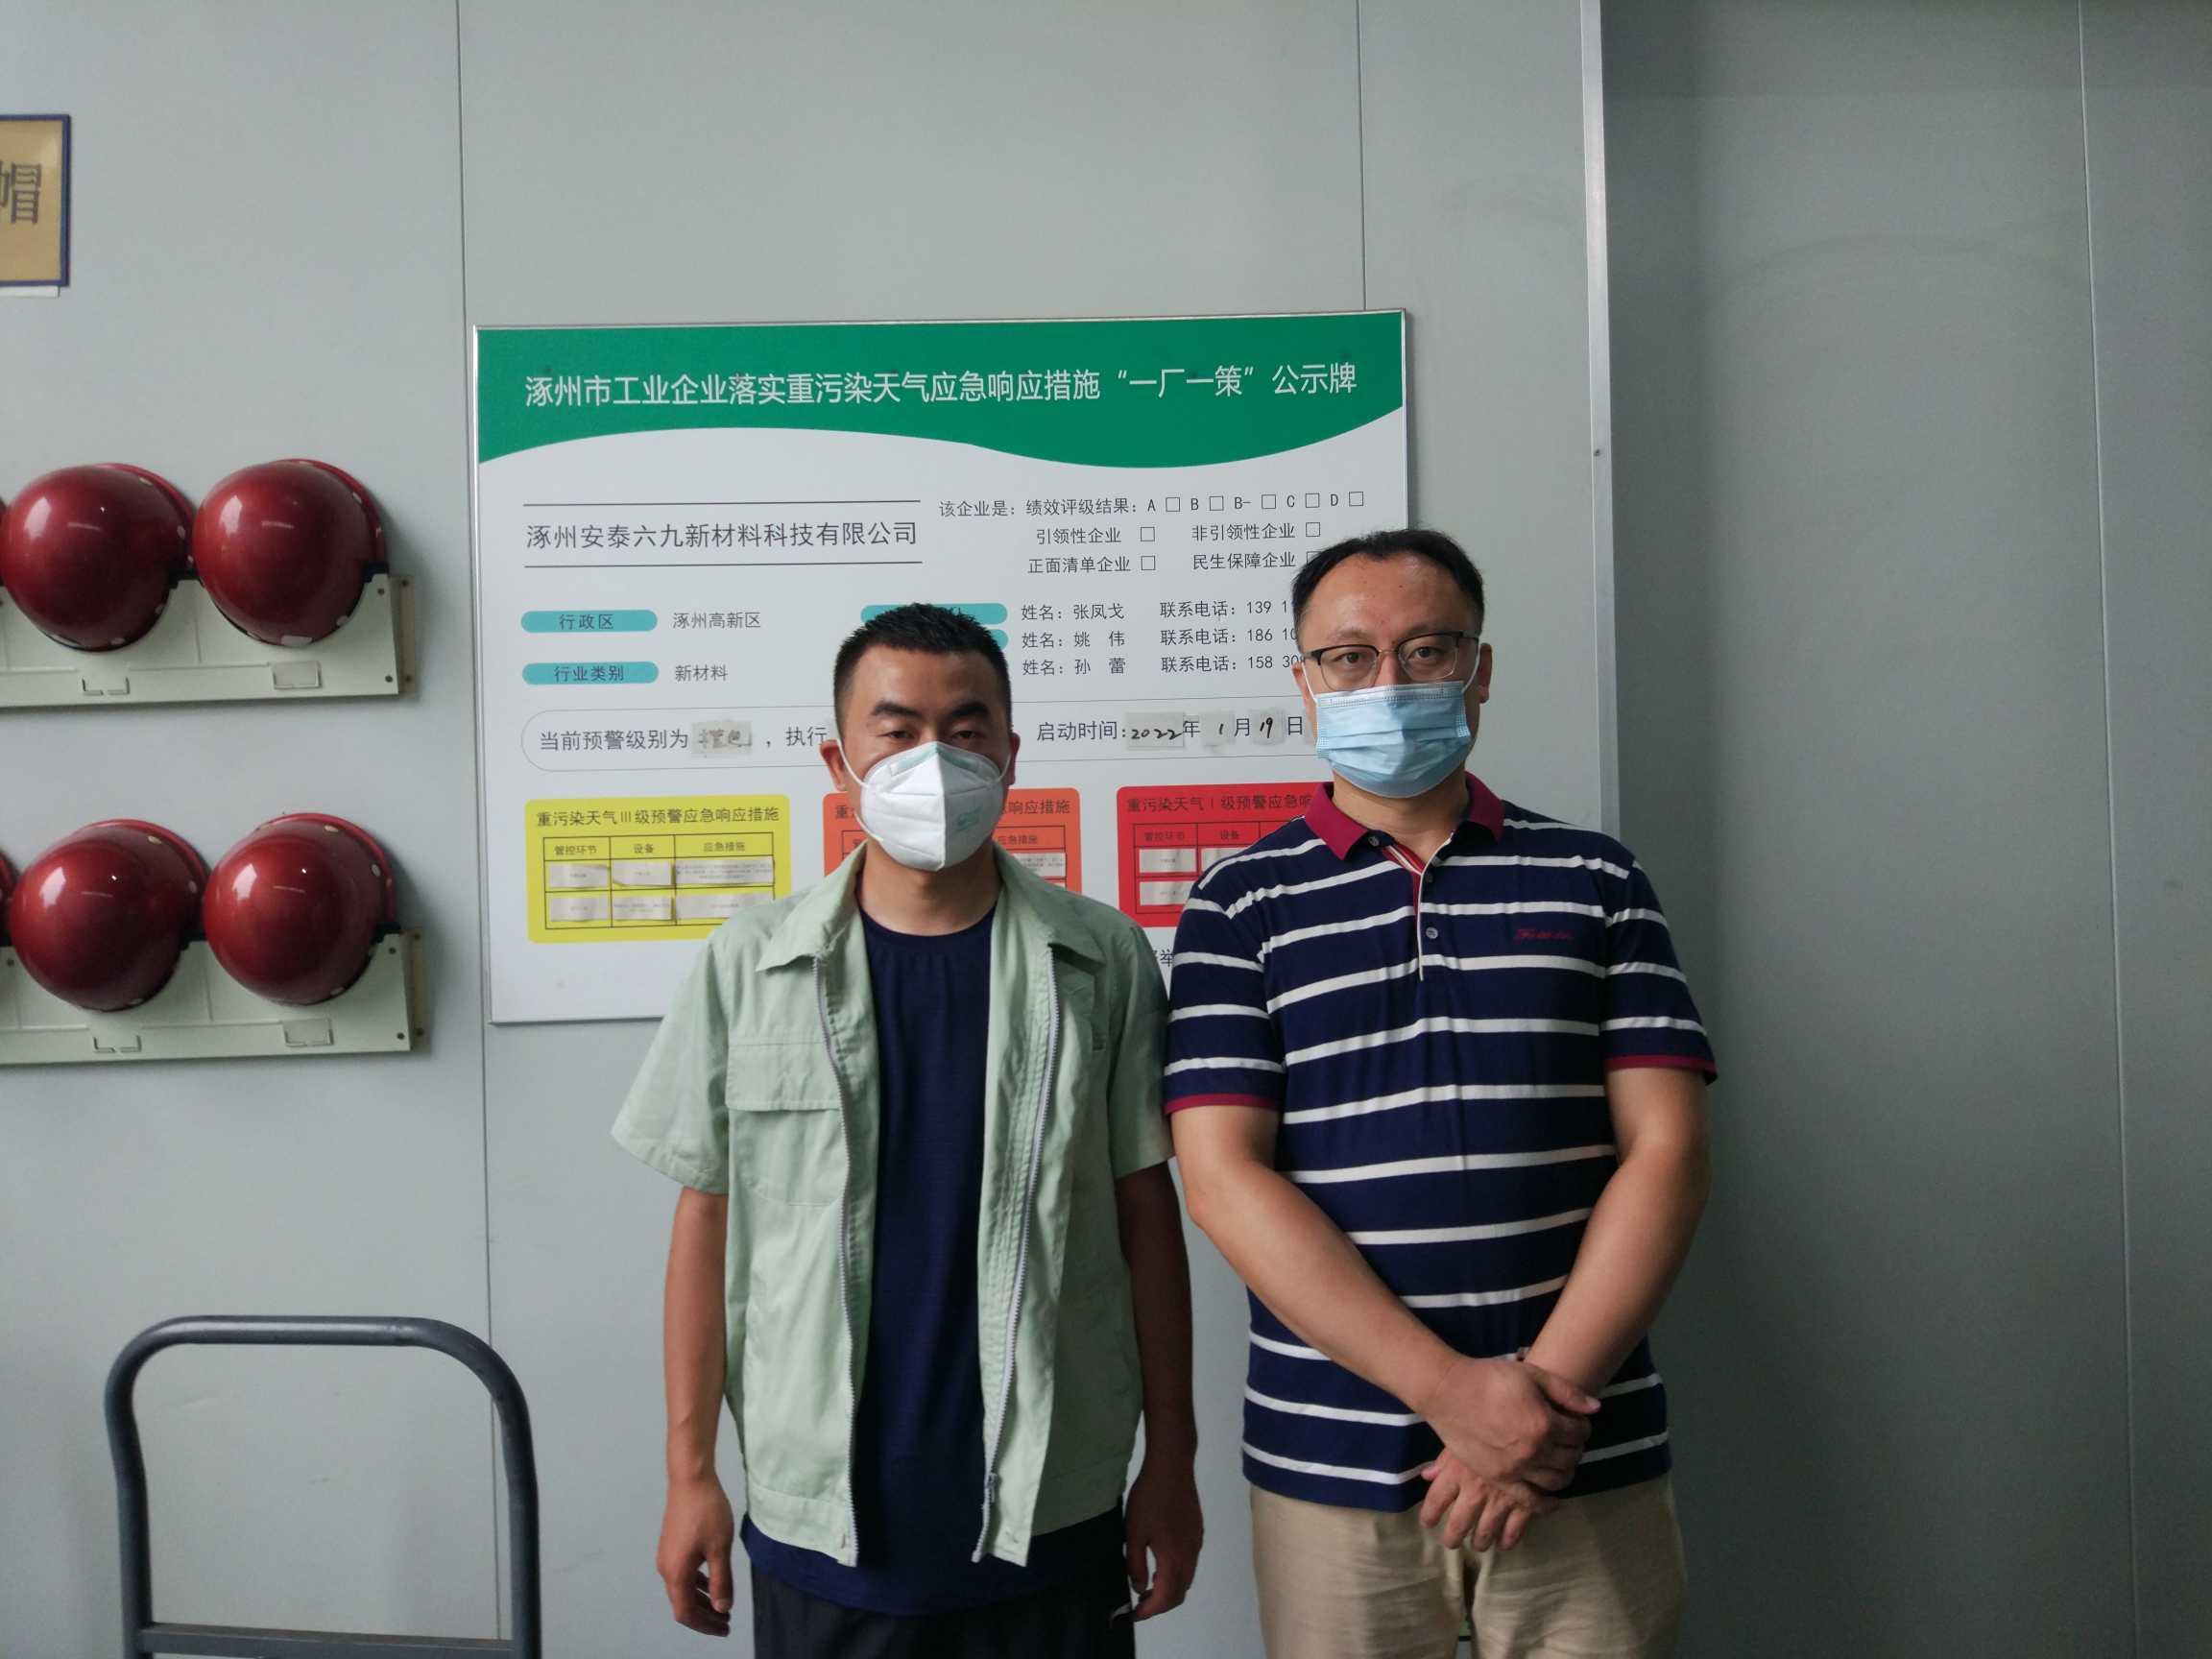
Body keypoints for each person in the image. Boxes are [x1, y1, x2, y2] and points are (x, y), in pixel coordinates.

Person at [1166, 530, 1715, 1658]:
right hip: (1335, 1465)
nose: (1389, 681)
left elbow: (1668, 1153)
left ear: (1480, 668)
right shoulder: (1239, 904)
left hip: (1579, 1453)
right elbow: (1222, 1179)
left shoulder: (1597, 879)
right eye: (1350, 657)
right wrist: (1454, 1397)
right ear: (1305, 681)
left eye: (1426, 650)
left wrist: (1535, 1408)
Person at [613, 604, 1201, 1655]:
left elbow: (1145, 1216)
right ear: (839, 763)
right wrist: (689, 1472)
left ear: (1010, 754)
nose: (934, 761)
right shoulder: (751, 964)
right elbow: (708, 1224)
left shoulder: (1102, 959)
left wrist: (1172, 1459)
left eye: (966, 731)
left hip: (1053, 1508)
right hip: (824, 1520)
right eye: (897, 731)